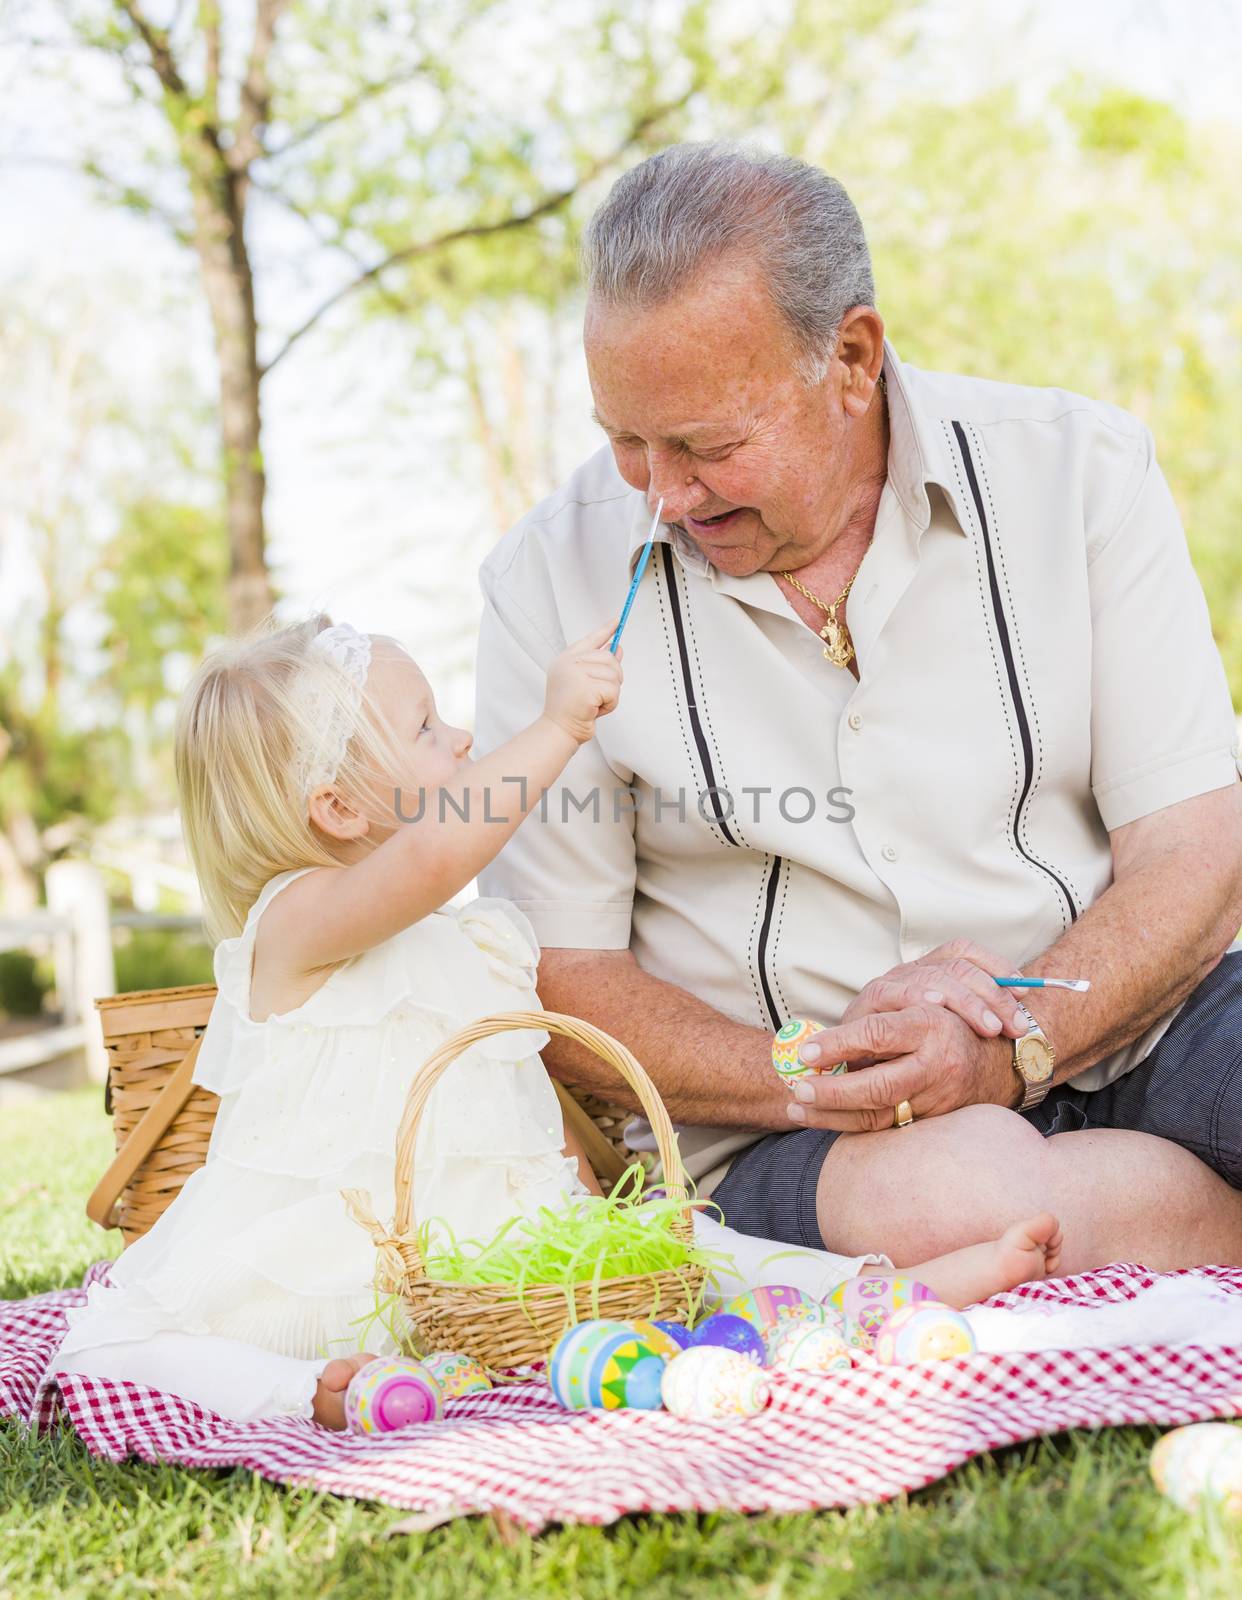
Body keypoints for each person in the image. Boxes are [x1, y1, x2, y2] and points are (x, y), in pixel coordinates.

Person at [475, 141, 1242, 1272]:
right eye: (625, 441)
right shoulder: (546, 575)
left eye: (706, 445)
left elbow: (1194, 846)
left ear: (851, 356)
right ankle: (1179, 1226)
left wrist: (1019, 1047)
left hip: (1134, 1020)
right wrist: (819, 1067)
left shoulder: (1081, 472)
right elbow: (561, 973)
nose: (664, 496)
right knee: (963, 1204)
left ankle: (1145, 1221)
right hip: (803, 1125)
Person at [52, 616, 1062, 1429]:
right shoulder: (296, 926)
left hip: (495, 1252)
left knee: (692, 1258)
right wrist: (556, 729)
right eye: (425, 730)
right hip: (337, 1252)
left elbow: (512, 1101)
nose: (459, 741)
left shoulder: (469, 945)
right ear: (338, 809)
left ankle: (870, 1294)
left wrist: (587, 1211)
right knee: (120, 1345)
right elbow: (433, 858)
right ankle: (295, 1394)